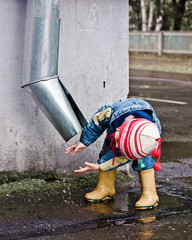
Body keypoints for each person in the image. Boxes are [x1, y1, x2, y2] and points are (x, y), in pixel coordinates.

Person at [65, 98, 162, 210]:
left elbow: (123, 156)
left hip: (141, 137)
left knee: (144, 159)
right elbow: (96, 124)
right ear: (120, 130)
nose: (116, 146)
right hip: (117, 127)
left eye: (118, 144)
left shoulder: (152, 133)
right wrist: (84, 142)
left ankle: (150, 193)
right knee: (108, 152)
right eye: (117, 142)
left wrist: (99, 166)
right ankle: (105, 188)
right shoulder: (110, 112)